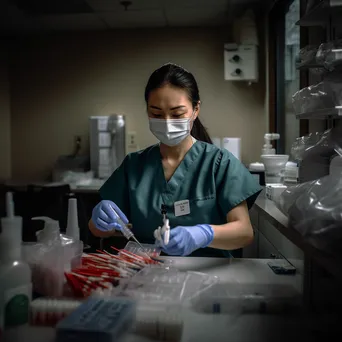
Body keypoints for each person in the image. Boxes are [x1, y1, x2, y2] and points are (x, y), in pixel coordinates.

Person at [89, 63, 262, 257]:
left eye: (177, 114)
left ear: (195, 109)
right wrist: (100, 220)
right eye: (156, 114)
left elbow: (244, 233)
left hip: (210, 276)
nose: (167, 123)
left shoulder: (220, 164)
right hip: (146, 276)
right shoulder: (134, 166)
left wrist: (204, 234)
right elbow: (99, 231)